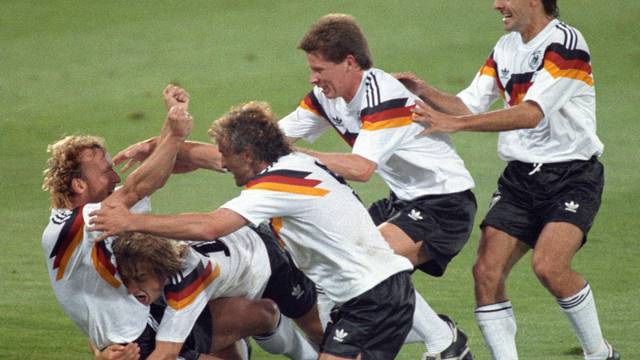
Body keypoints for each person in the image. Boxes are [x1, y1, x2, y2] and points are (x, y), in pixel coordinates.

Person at [90, 101, 423, 360]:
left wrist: (130, 221)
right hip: (373, 292)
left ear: (247, 154)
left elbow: (211, 226)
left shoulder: (273, 186)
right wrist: (161, 144)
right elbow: (206, 158)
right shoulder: (291, 162)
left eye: (227, 154)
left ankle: (439, 335)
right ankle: (439, 334)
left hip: (370, 295)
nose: (222, 161)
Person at [406, 1, 618, 359]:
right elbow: (469, 104)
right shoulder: (506, 47)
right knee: (486, 272)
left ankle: (599, 353)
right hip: (521, 178)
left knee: (549, 266)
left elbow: (531, 113)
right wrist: (424, 90)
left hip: (571, 175)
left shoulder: (565, 44)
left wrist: (455, 125)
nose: (496, 4)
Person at [40, 87, 292, 360]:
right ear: (79, 184)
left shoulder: (102, 213)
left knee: (260, 313)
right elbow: (137, 187)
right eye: (106, 171)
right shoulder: (69, 227)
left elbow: (147, 182)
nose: (115, 178)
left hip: (151, 317)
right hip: (135, 347)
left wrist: (170, 123)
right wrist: (174, 133)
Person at [278, 13, 476, 359]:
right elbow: (273, 137)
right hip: (402, 200)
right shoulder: (326, 97)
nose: (313, 78)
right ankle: (441, 337)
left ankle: (443, 341)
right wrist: (180, 147)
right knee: (337, 268)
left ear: (350, 62)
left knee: (370, 260)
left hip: (445, 201)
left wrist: (300, 156)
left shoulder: (383, 96)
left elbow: (361, 167)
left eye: (320, 69)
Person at [111, 226, 321, 360]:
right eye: (127, 279)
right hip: (224, 284)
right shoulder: (139, 267)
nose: (131, 289)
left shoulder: (187, 282)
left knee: (316, 330)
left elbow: (166, 353)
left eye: (140, 279)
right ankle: (241, 343)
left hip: (266, 258)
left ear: (162, 271)